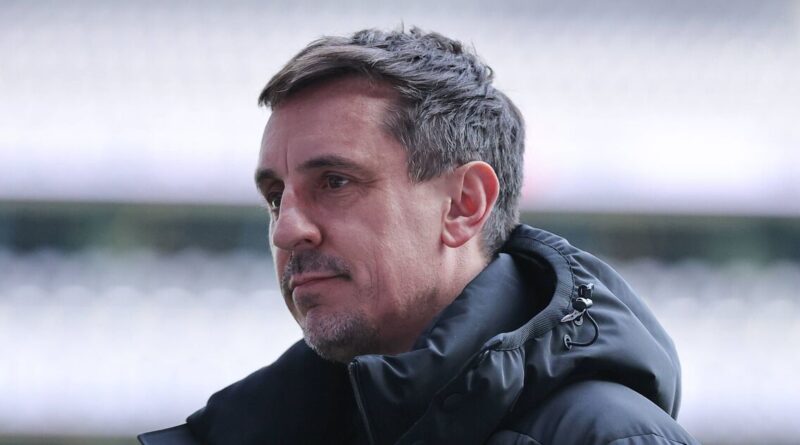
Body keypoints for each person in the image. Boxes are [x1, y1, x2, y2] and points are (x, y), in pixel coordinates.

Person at [139, 27, 699, 445]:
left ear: (464, 205)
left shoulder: (608, 436)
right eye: (275, 196)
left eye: (334, 182)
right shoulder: (261, 425)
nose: (287, 229)